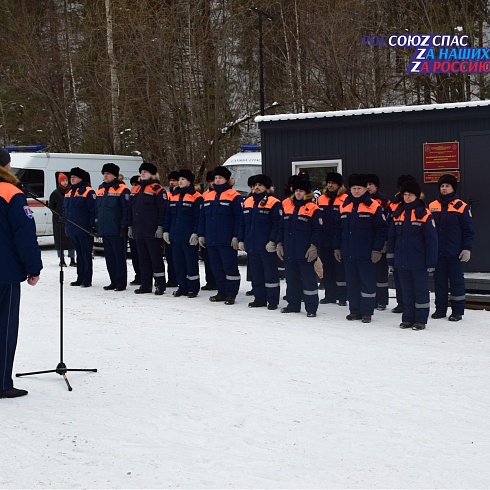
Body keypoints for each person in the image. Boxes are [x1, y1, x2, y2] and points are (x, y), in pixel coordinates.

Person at [0, 148, 42, 399]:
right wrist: (32, 268)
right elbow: (24, 234)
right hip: (4, 272)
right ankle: (2, 382)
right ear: (6, 166)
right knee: (4, 329)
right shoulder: (10, 192)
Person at [334, 173, 387, 323]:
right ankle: (354, 310)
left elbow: (381, 230)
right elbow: (338, 228)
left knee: (367, 283)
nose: (356, 191)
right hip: (348, 251)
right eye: (354, 188)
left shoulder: (373, 206)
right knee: (352, 283)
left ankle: (366, 311)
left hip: (367, 252)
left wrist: (377, 249)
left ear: (366, 189)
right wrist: (337, 247)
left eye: (359, 188)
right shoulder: (344, 205)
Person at [387, 180, 438, 330]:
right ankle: (408, 318)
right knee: (406, 291)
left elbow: (431, 240)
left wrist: (431, 262)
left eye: (410, 194)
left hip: (419, 260)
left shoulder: (424, 213)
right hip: (401, 260)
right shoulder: (398, 213)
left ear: (417, 195)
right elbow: (391, 238)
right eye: (405, 194)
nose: (407, 197)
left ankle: (420, 320)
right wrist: (391, 258)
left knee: (420, 291)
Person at [429, 174, 474, 322]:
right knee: (439, 282)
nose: (444, 188)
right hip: (437, 253)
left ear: (453, 188)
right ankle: (440, 309)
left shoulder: (461, 206)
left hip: (455, 252)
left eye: (447, 186)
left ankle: (457, 311)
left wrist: (467, 248)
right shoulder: (432, 205)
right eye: (442, 186)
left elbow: (468, 230)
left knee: (456, 282)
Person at [277, 178, 322, 317]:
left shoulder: (313, 208)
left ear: (306, 193)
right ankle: (293, 304)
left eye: (301, 191)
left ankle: (311, 308)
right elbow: (281, 227)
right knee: (291, 280)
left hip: (305, 252)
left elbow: (318, 230)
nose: (298, 193)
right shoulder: (287, 206)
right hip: (290, 251)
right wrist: (279, 243)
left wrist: (314, 246)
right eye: (296, 190)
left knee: (309, 281)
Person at [198, 165, 242, 305]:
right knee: (216, 267)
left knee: (229, 267)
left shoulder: (234, 196)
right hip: (211, 239)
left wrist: (236, 236)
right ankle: (221, 292)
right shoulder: (208, 196)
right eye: (216, 178)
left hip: (227, 240)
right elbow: (202, 217)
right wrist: (201, 234)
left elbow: (239, 218)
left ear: (227, 180)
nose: (217, 180)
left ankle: (231, 293)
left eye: (220, 178)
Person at [238, 174, 281, 310]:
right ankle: (259, 298)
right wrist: (241, 239)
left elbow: (277, 224)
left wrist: (273, 241)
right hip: (252, 245)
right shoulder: (248, 201)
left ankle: (273, 300)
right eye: (255, 185)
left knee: (270, 274)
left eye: (260, 185)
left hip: (266, 246)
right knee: (256, 274)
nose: (256, 187)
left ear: (267, 188)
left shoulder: (274, 202)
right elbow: (242, 223)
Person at [128, 162, 167, 295]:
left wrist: (160, 226)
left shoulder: (158, 189)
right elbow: (131, 209)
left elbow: (162, 210)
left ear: (152, 174)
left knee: (155, 259)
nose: (143, 173)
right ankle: (145, 284)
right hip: (139, 230)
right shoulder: (136, 189)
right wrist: (130, 226)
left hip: (152, 231)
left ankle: (160, 284)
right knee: (143, 259)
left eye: (145, 171)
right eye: (141, 171)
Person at [163, 169, 203, 298]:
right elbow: (168, 216)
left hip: (188, 237)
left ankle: (193, 288)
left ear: (189, 181)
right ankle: (182, 286)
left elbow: (199, 217)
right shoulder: (173, 195)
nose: (179, 182)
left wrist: (196, 233)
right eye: (179, 179)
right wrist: (166, 231)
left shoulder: (196, 197)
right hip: (175, 236)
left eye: (183, 179)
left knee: (190, 263)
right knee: (178, 264)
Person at [95, 163, 130, 291]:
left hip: (116, 229)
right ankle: (113, 280)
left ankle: (121, 282)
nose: (105, 176)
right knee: (109, 257)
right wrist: (97, 224)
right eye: (104, 173)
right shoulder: (100, 188)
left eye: (108, 173)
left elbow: (125, 210)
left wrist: (123, 226)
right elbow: (97, 209)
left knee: (119, 257)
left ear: (114, 175)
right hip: (105, 229)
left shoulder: (122, 189)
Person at [317, 172, 347, 306]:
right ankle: (329, 295)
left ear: (339, 185)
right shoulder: (321, 199)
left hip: (339, 239)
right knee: (327, 268)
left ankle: (342, 296)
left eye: (333, 183)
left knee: (340, 269)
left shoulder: (346, 198)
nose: (330, 185)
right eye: (328, 182)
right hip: (324, 239)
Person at [388, 174, 417, 314]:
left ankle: (415, 305)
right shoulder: (394, 204)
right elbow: (389, 223)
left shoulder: (420, 205)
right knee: (399, 279)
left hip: (415, 249)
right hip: (398, 244)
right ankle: (401, 303)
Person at [63, 167, 96, 287]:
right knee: (79, 254)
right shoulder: (69, 191)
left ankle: (87, 278)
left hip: (84, 228)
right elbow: (65, 209)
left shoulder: (88, 191)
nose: (72, 179)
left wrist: (92, 225)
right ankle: (80, 277)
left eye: (74, 177)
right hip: (72, 228)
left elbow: (93, 210)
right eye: (71, 177)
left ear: (81, 178)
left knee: (86, 254)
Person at [366, 173, 391, 311]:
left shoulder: (385, 202)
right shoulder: (361, 201)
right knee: (369, 273)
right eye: (367, 185)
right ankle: (371, 299)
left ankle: (382, 300)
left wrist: (385, 242)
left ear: (376, 186)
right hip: (366, 242)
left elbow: (387, 223)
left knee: (381, 273)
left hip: (380, 242)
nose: (368, 187)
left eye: (371, 185)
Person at [49, 172, 76, 267]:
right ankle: (62, 260)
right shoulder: (55, 193)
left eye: (66, 180)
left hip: (69, 220)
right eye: (63, 181)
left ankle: (72, 259)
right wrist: (58, 215)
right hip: (58, 221)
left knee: (71, 241)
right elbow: (51, 207)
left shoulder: (71, 191)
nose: (65, 182)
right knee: (60, 241)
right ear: (59, 182)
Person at [200, 171, 217, 291]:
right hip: (207, 231)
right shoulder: (204, 195)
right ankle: (210, 281)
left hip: (218, 233)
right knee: (207, 259)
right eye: (210, 181)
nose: (212, 183)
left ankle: (219, 281)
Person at [165, 171, 180, 287]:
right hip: (170, 230)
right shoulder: (168, 194)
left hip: (178, 231)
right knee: (170, 257)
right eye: (170, 180)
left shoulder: (179, 195)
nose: (172, 182)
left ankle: (178, 278)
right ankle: (171, 279)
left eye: (174, 180)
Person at [128, 175, 141, 285]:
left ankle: (144, 276)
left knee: (142, 255)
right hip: (133, 228)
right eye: (132, 185)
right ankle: (138, 275)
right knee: (135, 256)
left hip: (142, 230)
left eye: (136, 185)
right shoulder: (132, 196)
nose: (133, 187)